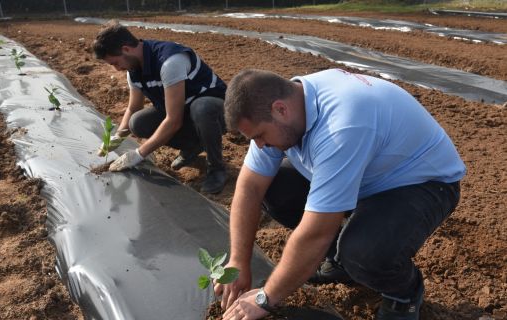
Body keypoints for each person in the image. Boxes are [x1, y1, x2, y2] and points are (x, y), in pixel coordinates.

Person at [216, 69, 466, 320]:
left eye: (259, 136)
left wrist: (265, 298)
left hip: (421, 182)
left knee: (363, 252)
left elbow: (317, 232)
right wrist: (238, 261)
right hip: (366, 174)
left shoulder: (342, 125)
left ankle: (404, 293)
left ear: (281, 109)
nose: (259, 145)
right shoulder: (285, 109)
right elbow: (250, 187)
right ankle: (341, 264)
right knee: (275, 189)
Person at [92, 22, 228, 194]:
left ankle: (217, 169)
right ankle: (192, 146)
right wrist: (118, 136)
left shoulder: (169, 62)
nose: (117, 69)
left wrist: (139, 154)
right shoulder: (133, 69)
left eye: (115, 63)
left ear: (126, 49)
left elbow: (173, 120)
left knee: (202, 108)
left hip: (217, 112)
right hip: (184, 111)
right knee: (138, 123)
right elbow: (134, 107)